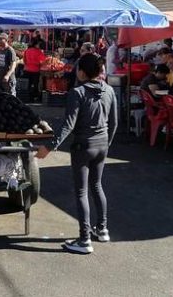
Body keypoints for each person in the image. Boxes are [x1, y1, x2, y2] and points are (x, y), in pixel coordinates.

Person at [37, 54, 118, 254]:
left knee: (82, 191)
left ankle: (84, 240)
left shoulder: (77, 92)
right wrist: (107, 143)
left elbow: (68, 125)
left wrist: (49, 147)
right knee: (97, 186)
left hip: (83, 146)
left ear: (82, 72)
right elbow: (114, 122)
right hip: (102, 145)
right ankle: (103, 229)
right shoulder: (109, 90)